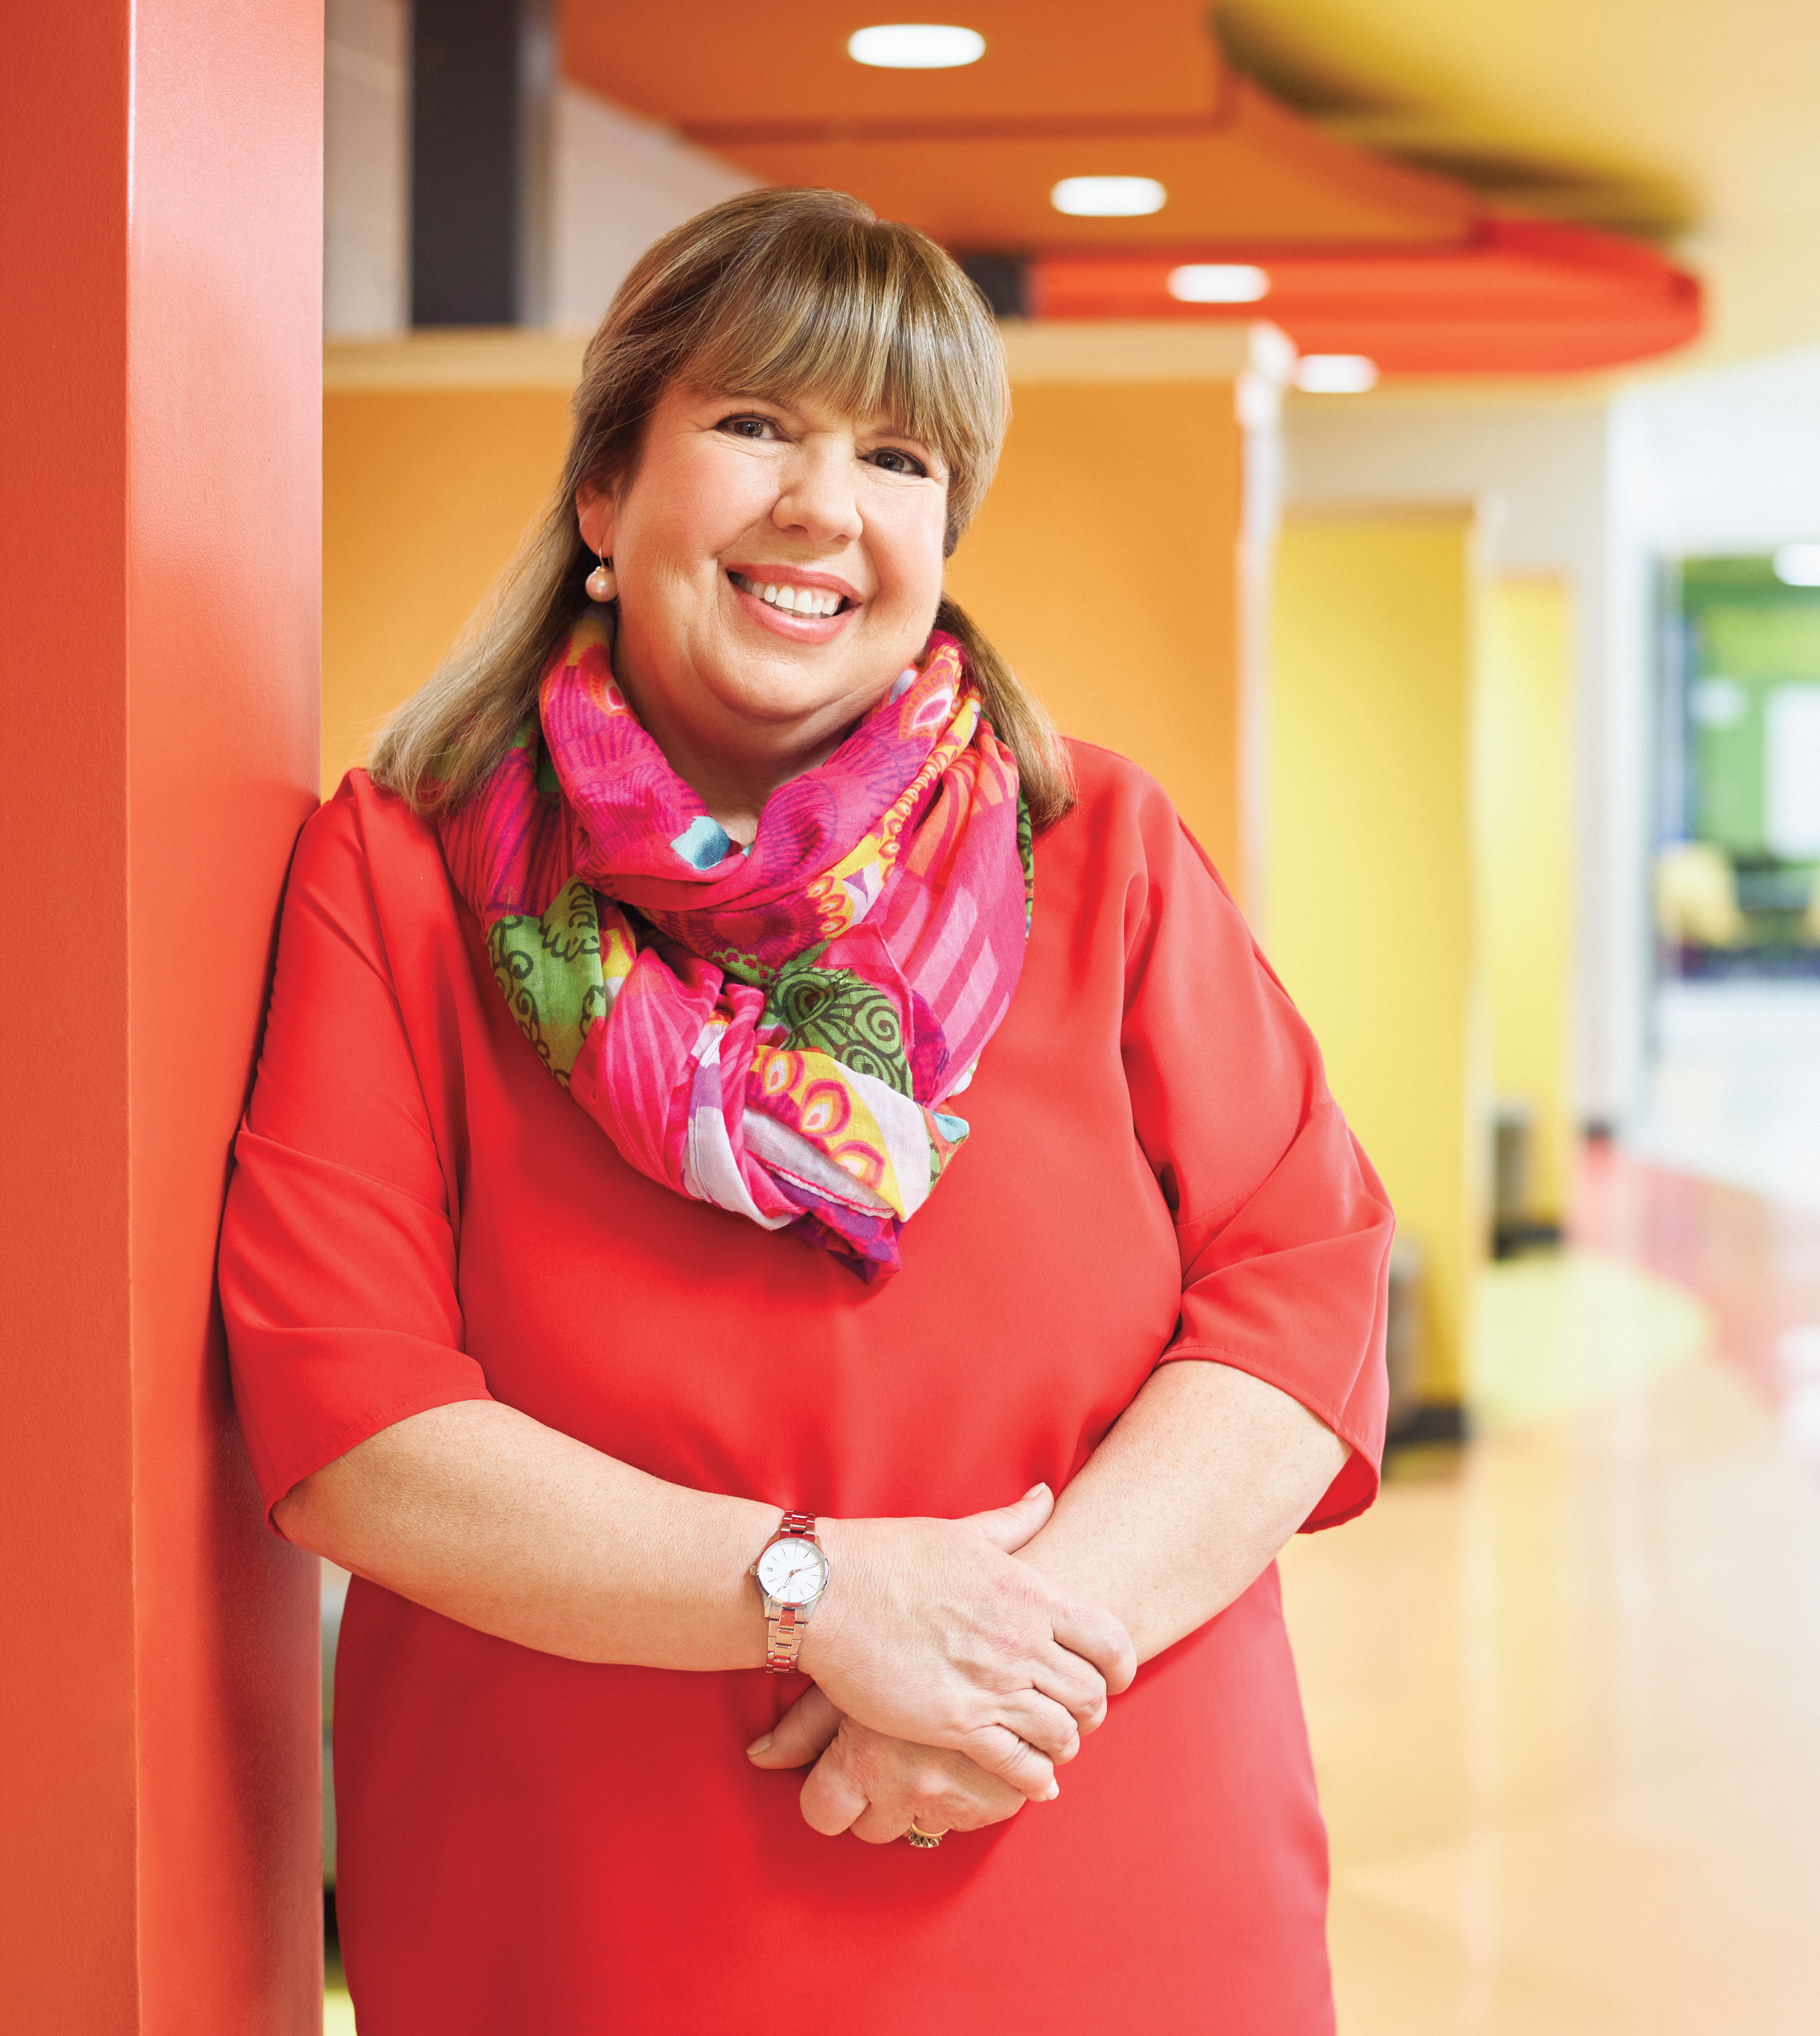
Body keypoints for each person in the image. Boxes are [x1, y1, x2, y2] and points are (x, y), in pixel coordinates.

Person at [219, 186, 1392, 2033]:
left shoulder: (1098, 850)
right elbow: (349, 1414)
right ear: (604, 492)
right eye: (755, 422)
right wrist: (816, 1597)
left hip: (1095, 1842)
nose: (821, 508)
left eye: (897, 456)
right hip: (598, 1906)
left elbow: (1304, 1281)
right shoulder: (400, 873)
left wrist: (1000, 1659)